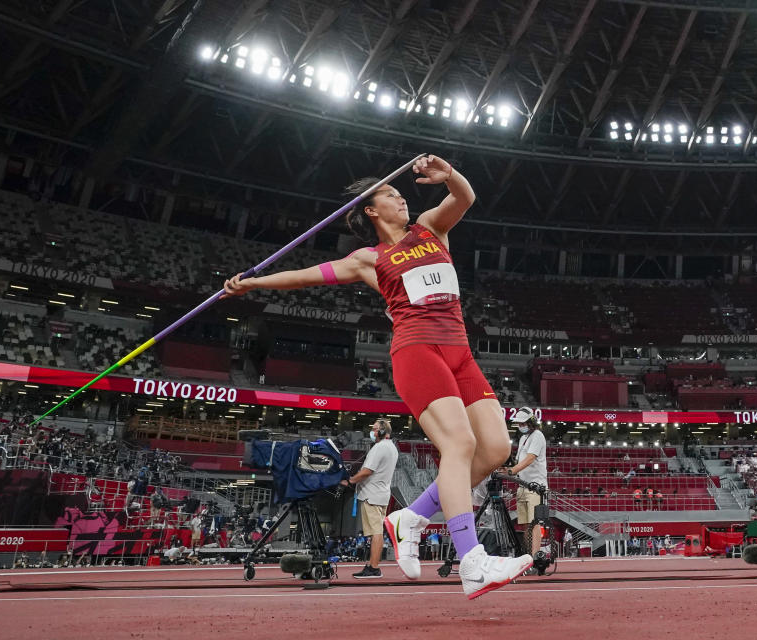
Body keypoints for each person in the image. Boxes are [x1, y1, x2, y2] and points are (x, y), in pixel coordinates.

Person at [223, 154, 531, 598]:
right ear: (371, 210)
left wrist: (450, 176)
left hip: (461, 353)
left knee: (496, 449)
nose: (402, 198)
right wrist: (254, 283)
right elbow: (308, 277)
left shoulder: (431, 227)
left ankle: (411, 517)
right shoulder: (369, 258)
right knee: (459, 445)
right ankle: (472, 561)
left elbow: (465, 197)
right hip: (417, 350)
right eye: (392, 194)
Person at [343, 419, 398, 578]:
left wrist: (351, 480)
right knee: (377, 531)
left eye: (374, 429)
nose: (372, 432)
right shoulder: (391, 447)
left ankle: (374, 568)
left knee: (376, 532)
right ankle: (372, 566)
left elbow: (367, 471)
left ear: (382, 431)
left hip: (372, 495)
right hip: (381, 494)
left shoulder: (380, 447)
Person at [505, 407, 547, 559]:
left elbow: (530, 458)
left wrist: (511, 471)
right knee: (525, 524)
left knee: (534, 522)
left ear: (531, 422)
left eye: (523, 423)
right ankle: (528, 555)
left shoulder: (538, 435)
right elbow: (520, 461)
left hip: (535, 486)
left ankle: (535, 557)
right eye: (519, 423)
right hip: (523, 485)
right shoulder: (523, 439)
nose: (520, 426)